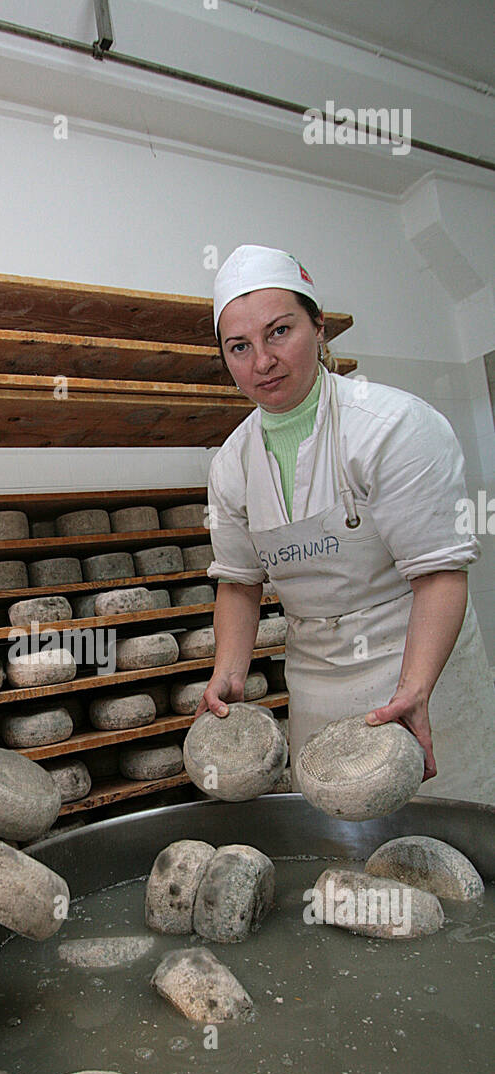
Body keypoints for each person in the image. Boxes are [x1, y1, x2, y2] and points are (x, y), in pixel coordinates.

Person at [198, 243, 495, 803]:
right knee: (345, 851)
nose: (262, 361)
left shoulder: (392, 427)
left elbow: (438, 575)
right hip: (317, 677)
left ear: (318, 327)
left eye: (279, 332)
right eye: (240, 347)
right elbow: (239, 583)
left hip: (419, 660)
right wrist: (229, 671)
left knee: (452, 839)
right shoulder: (231, 464)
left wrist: (415, 690)